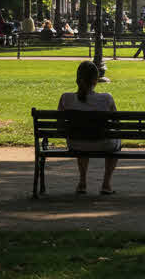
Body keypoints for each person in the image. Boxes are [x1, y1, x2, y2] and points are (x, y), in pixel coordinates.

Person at [57, 60, 120, 195]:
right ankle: (106, 184)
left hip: (76, 144)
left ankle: (82, 182)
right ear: (96, 80)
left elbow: (59, 123)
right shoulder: (106, 98)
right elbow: (116, 122)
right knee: (115, 140)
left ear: (77, 79)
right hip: (104, 143)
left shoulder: (66, 98)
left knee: (82, 134)